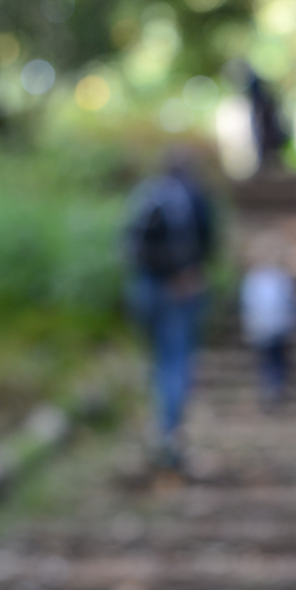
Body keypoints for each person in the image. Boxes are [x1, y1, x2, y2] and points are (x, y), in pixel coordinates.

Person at [124, 150, 214, 469]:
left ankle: (162, 427)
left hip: (145, 287)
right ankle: (170, 432)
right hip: (179, 287)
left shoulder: (146, 194)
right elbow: (208, 241)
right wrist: (188, 273)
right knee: (176, 358)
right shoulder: (193, 197)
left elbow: (128, 245)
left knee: (159, 359)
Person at [240, 250, 296, 407]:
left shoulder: (252, 279)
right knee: (277, 360)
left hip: (262, 329)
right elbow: (291, 302)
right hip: (279, 326)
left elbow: (247, 305)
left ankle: (271, 388)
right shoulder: (281, 277)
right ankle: (276, 387)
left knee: (267, 361)